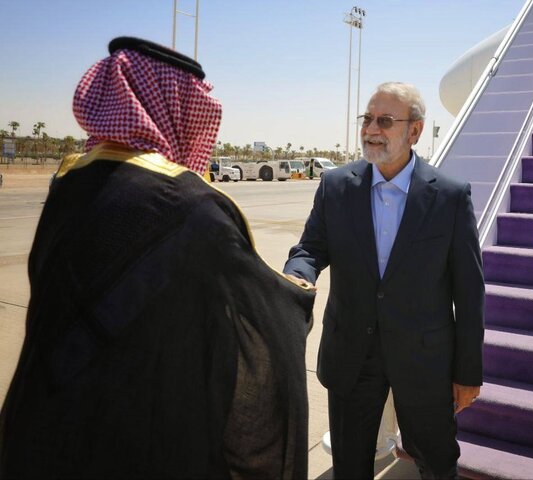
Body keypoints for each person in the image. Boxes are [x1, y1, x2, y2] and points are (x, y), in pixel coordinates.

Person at [0, 37, 314, 478]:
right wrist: (296, 294)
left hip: (44, 421)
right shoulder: (191, 205)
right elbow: (257, 309)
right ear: (178, 110)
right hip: (136, 431)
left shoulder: (69, 182)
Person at [284, 82, 485, 479]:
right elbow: (309, 248)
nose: (371, 129)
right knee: (350, 466)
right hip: (352, 356)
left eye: (385, 121)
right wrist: (297, 276)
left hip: (424, 362)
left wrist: (467, 372)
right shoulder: (335, 186)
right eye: (368, 119)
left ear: (415, 131)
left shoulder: (449, 196)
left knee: (437, 464)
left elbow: (469, 290)